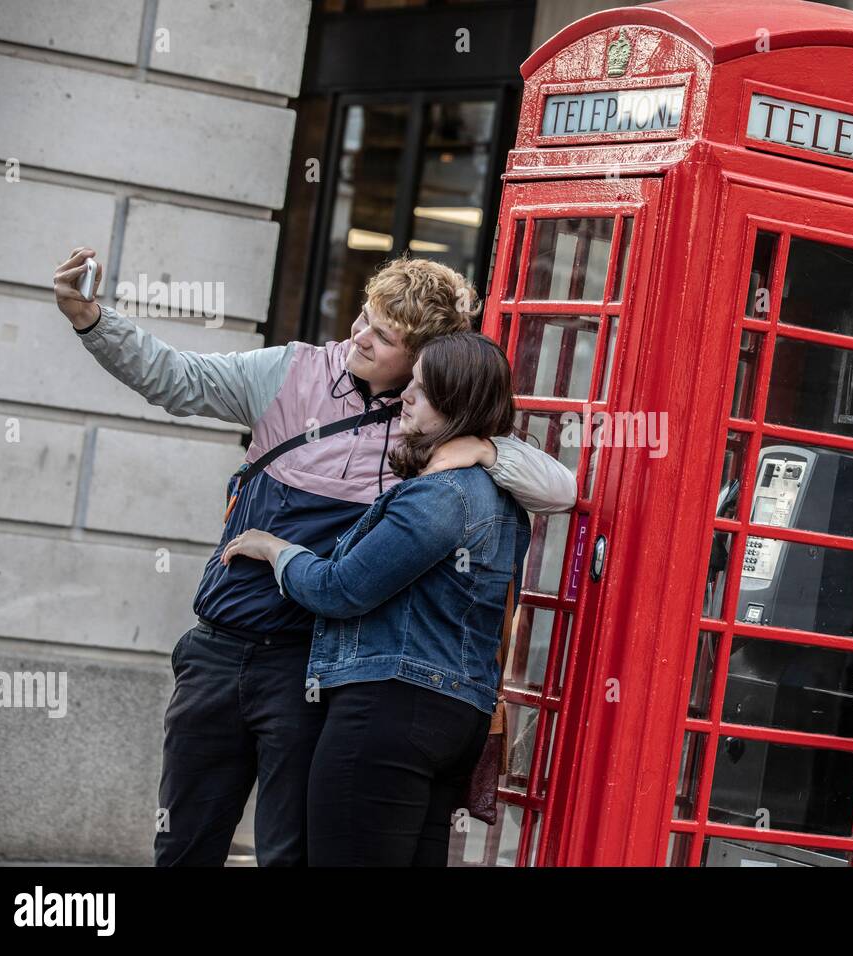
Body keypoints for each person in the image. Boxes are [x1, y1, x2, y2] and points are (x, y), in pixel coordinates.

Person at [51, 249, 575, 866]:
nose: (359, 337)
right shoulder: (289, 371)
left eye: (383, 336)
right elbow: (177, 377)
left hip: (309, 669)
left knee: (288, 853)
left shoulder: (427, 425)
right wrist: (90, 318)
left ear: (421, 358)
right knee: (184, 844)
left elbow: (560, 490)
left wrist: (487, 451)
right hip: (217, 648)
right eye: (364, 318)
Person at [220, 332, 527, 866]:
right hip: (458, 719)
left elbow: (341, 589)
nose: (406, 396)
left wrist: (275, 549)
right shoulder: (503, 498)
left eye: (423, 390)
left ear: (455, 405)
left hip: (388, 714)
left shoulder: (440, 498)